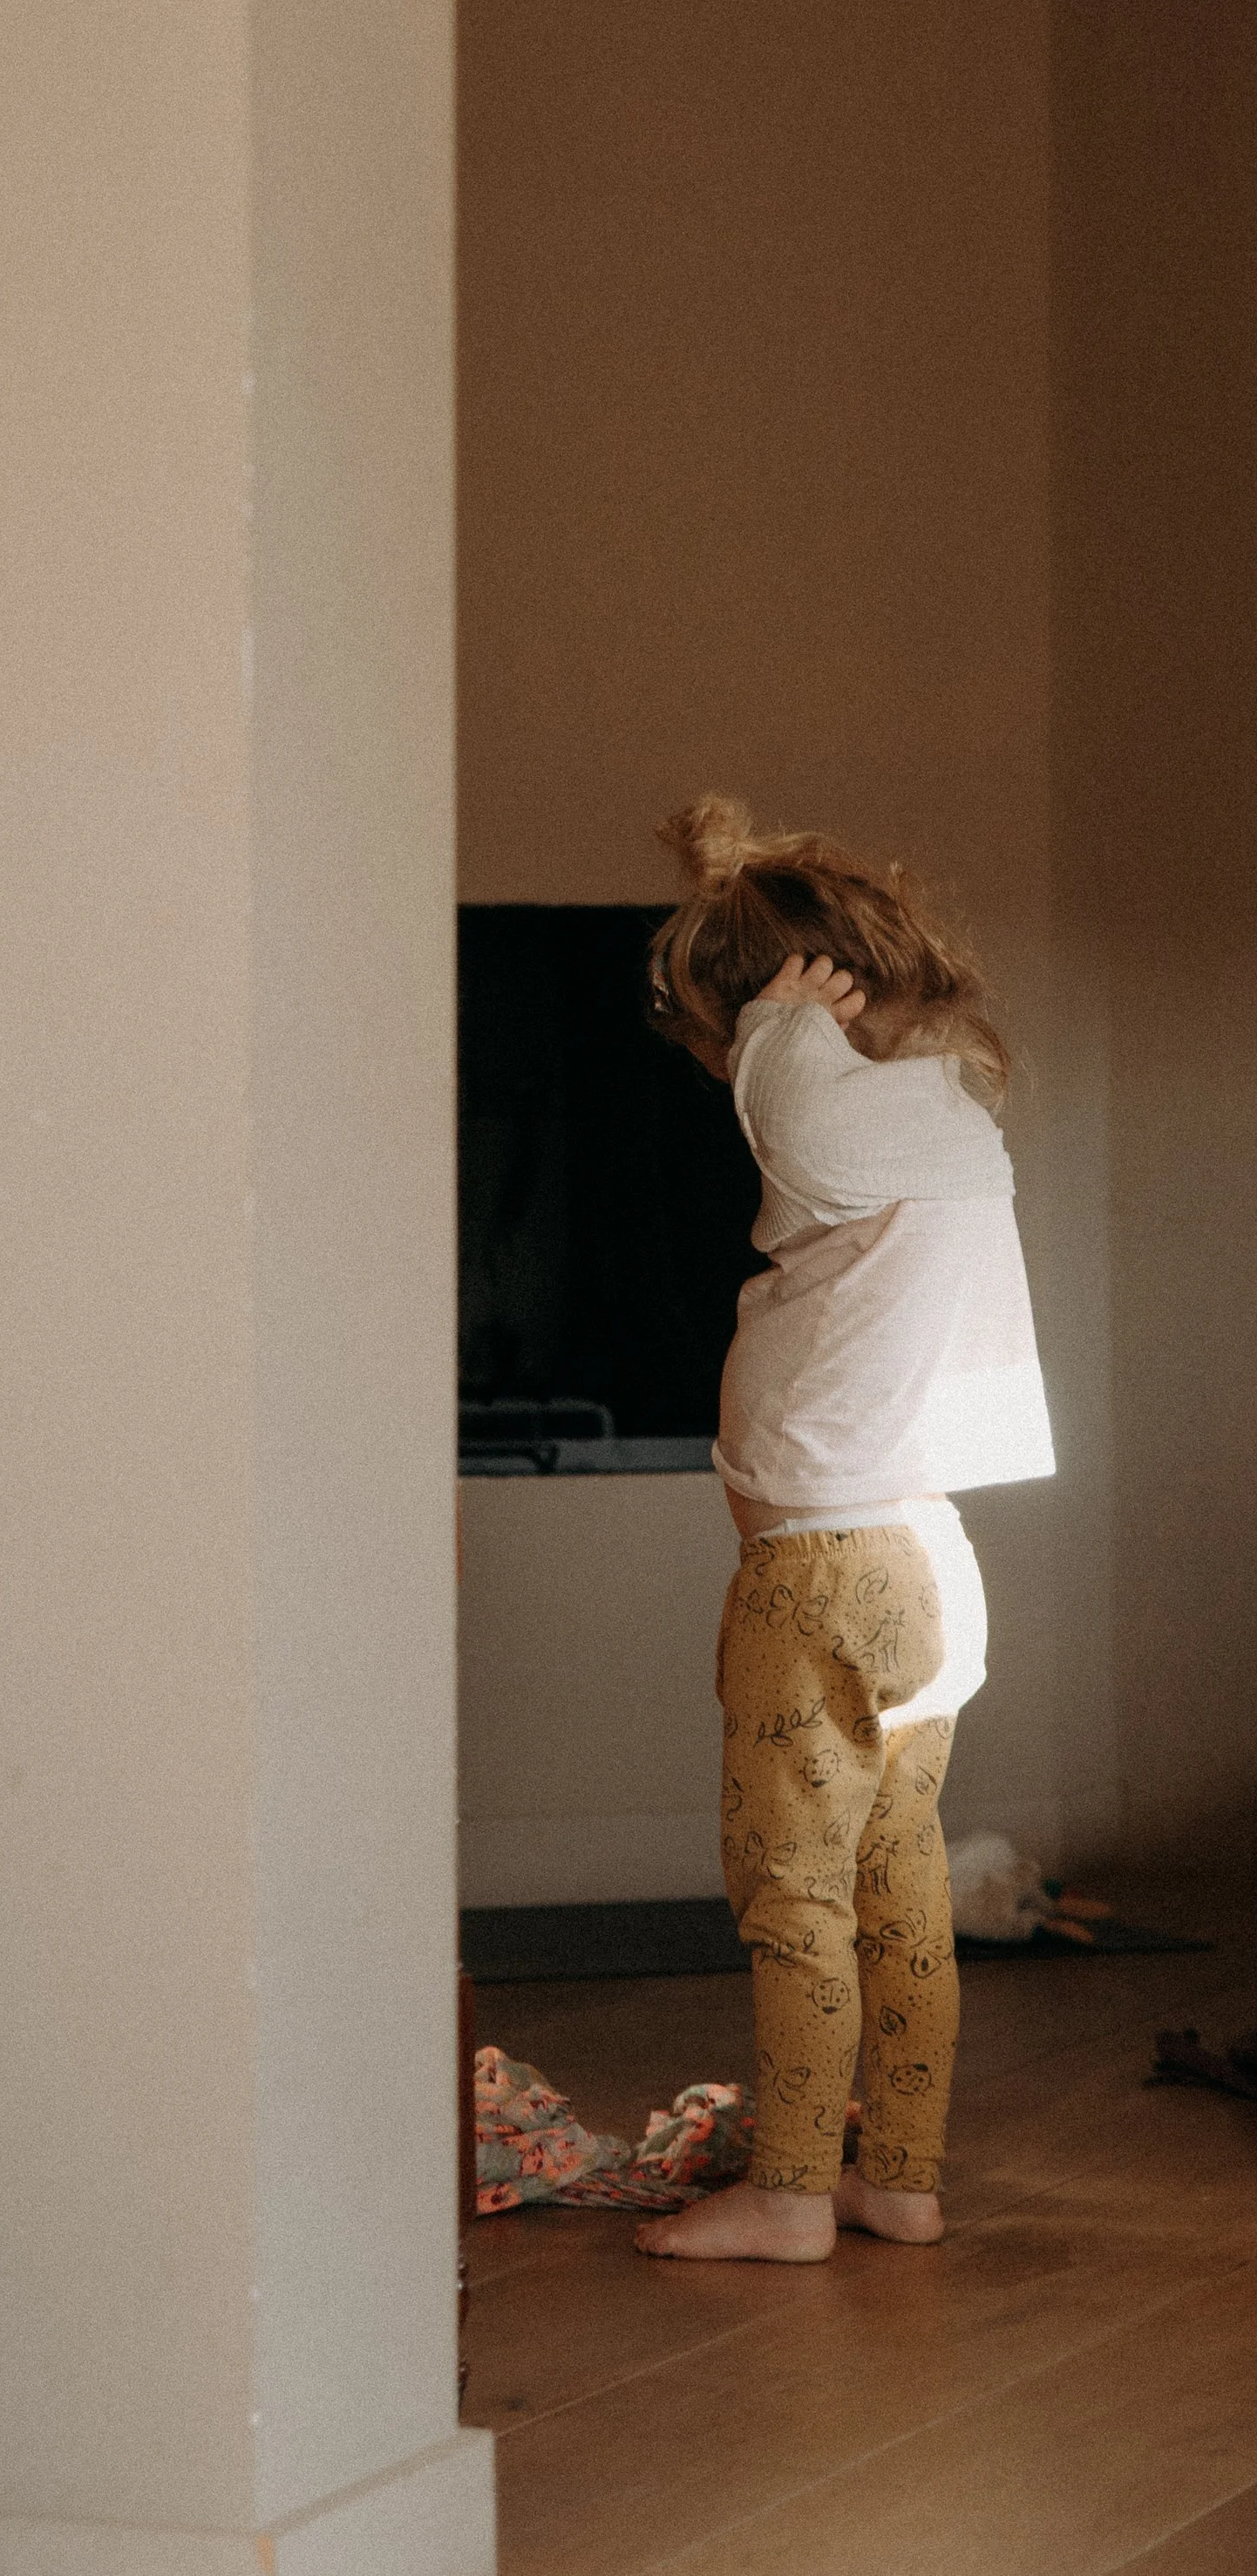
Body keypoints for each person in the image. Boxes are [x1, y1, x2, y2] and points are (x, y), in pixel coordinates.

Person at [632, 794, 1053, 2261]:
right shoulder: (940, 1115)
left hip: (819, 1572)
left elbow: (786, 1098)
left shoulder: (819, 1103)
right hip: (927, 1564)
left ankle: (797, 2188)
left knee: (795, 1893)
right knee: (901, 1885)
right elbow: (808, 1088)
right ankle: (906, 2175)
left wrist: (770, 1018)